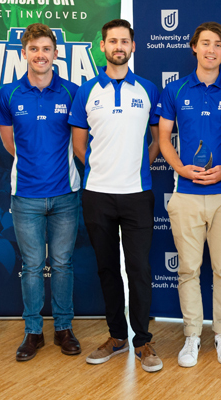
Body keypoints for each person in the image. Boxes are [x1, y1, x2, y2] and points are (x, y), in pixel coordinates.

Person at [68, 19, 163, 373]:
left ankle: (143, 341)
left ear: (133, 46)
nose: (118, 46)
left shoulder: (149, 89)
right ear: (103, 47)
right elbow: (79, 144)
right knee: (107, 268)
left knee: (139, 268)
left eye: (124, 41)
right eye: (112, 41)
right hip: (97, 195)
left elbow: (157, 139)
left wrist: (138, 167)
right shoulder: (87, 90)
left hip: (137, 193)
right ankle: (116, 337)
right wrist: (100, 169)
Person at [156, 22, 221, 367]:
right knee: (188, 270)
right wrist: (180, 169)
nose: (211, 50)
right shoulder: (175, 90)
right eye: (205, 43)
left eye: (218, 45)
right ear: (194, 47)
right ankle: (192, 336)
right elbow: (164, 138)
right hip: (185, 195)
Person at [0, 23, 82, 361]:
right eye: (34, 49)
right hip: (26, 195)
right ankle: (33, 331)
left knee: (62, 264)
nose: (40, 55)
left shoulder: (73, 92)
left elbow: (79, 141)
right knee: (32, 266)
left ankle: (63, 328)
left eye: (46, 49)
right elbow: (8, 142)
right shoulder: (9, 94)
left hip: (65, 194)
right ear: (24, 53)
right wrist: (35, 162)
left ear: (56, 53)